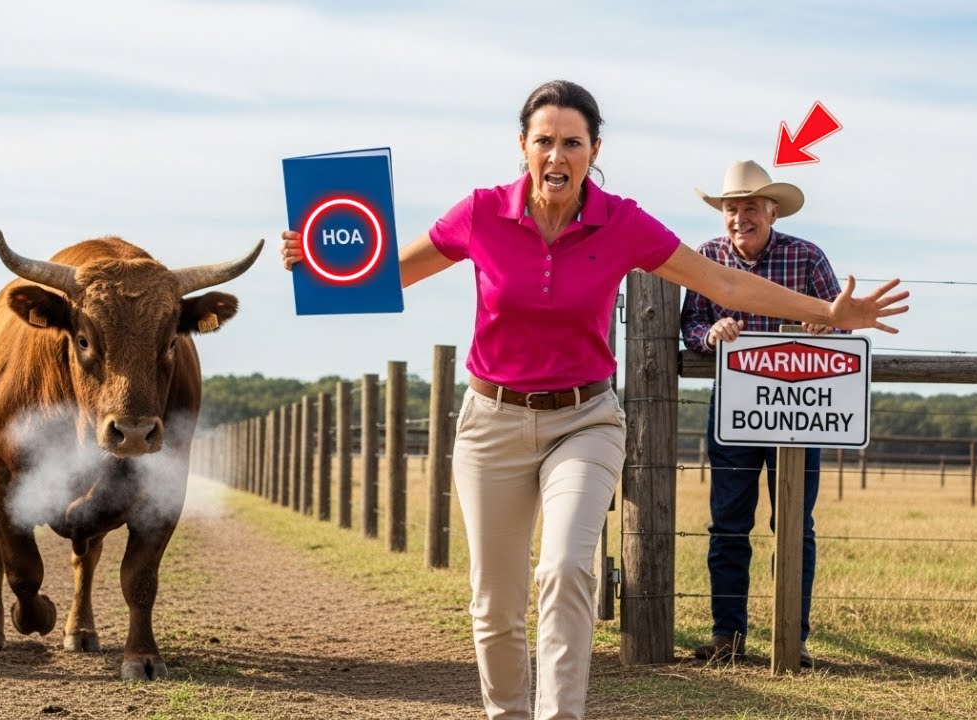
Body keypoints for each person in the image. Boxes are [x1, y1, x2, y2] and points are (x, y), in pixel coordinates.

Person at [281, 81, 908, 720]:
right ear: (522, 147)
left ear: (594, 149)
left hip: (585, 421)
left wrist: (827, 310)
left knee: (565, 570)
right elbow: (391, 269)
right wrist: (315, 256)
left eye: (572, 143)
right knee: (495, 601)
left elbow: (723, 282)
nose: (558, 155)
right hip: (490, 423)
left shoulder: (622, 221)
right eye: (544, 141)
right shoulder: (480, 214)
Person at [680, 160, 841, 669]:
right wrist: (712, 334)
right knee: (728, 522)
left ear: (772, 210)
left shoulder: (806, 257)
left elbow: (837, 318)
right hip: (734, 410)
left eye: (751, 207)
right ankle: (728, 636)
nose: (740, 217)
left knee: (796, 523)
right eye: (732, 207)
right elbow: (691, 328)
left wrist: (824, 330)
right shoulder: (706, 257)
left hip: (797, 410)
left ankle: (792, 638)